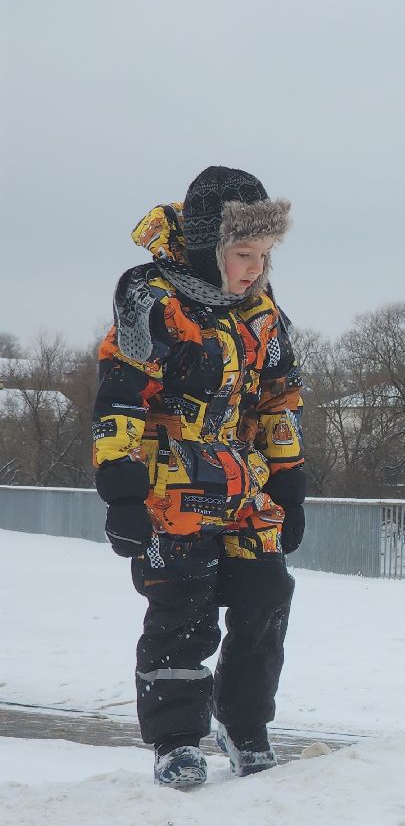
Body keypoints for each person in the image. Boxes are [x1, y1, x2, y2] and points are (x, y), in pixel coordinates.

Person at [92, 166, 306, 790]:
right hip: (169, 491)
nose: (254, 268)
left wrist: (290, 484)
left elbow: (278, 403)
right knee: (182, 611)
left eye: (264, 255)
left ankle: (246, 726)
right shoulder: (149, 297)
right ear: (210, 246)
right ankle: (177, 740)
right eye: (243, 254)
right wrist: (124, 492)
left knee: (265, 597)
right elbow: (121, 399)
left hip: (245, 487)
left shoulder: (263, 314)